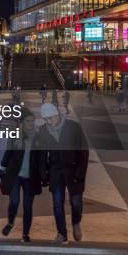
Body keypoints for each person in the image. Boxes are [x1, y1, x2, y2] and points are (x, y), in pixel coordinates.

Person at [36, 103, 89, 244]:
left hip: (74, 170)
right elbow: (41, 154)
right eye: (45, 119)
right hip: (55, 171)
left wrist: (81, 173)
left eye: (50, 118)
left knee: (76, 202)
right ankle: (62, 233)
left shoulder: (73, 127)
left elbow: (84, 151)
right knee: (57, 203)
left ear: (57, 115)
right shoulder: (43, 131)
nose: (48, 121)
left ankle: (76, 223)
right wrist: (43, 174)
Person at [0, 108, 42, 242]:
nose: (31, 123)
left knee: (28, 207)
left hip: (31, 177)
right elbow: (8, 153)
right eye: (28, 121)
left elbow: (42, 158)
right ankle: (11, 222)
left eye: (33, 121)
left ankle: (25, 234)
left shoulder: (38, 138)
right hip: (15, 175)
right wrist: (2, 167)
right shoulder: (15, 136)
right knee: (14, 201)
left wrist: (44, 174)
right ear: (22, 122)